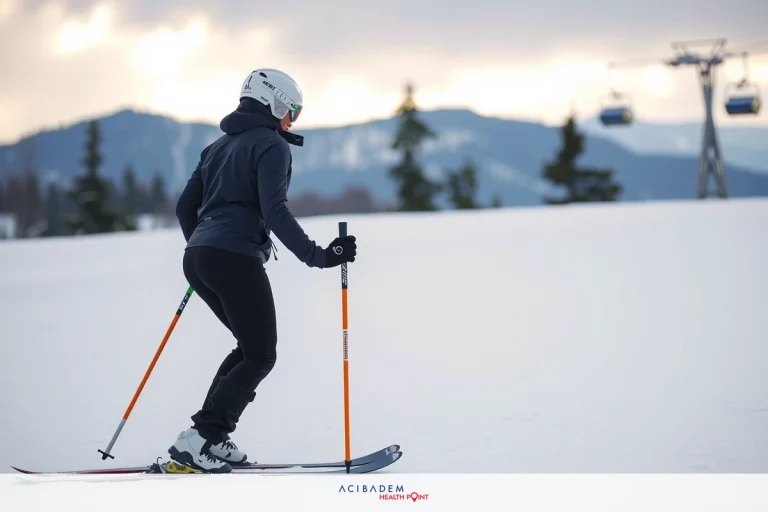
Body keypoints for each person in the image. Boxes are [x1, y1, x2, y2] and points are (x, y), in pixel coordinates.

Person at [169, 68, 357, 473]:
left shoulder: (215, 147)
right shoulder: (272, 146)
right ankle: (200, 440)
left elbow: (185, 208)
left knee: (248, 349)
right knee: (260, 354)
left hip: (198, 257)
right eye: (292, 111)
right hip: (233, 258)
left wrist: (202, 242)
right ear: (272, 103)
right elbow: (275, 211)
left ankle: (210, 437)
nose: (292, 120)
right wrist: (320, 255)